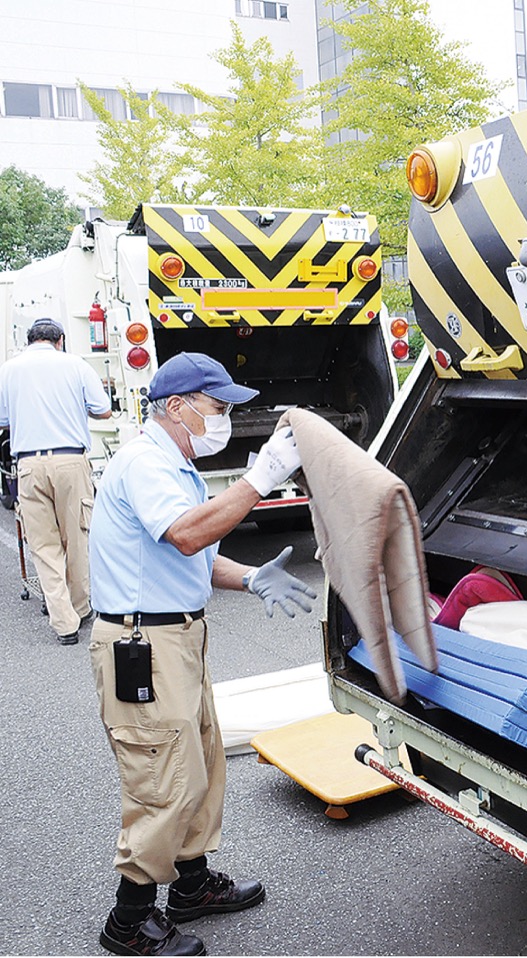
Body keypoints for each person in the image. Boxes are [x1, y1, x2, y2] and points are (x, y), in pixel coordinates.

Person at [88, 351, 318, 957]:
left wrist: (249, 577)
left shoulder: (175, 464)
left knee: (200, 764)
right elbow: (189, 532)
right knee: (163, 779)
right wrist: (260, 478)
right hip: (145, 645)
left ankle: (190, 886)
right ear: (177, 406)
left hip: (176, 640)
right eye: (217, 408)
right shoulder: (144, 463)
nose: (223, 419)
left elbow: (190, 553)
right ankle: (129, 920)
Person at [0, 317, 112, 643]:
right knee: (76, 537)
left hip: (29, 465)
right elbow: (103, 409)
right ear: (60, 340)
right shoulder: (75, 365)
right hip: (70, 461)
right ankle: (80, 606)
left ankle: (64, 624)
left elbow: (3, 418)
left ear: (29, 340)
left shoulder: (9, 369)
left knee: (44, 545)